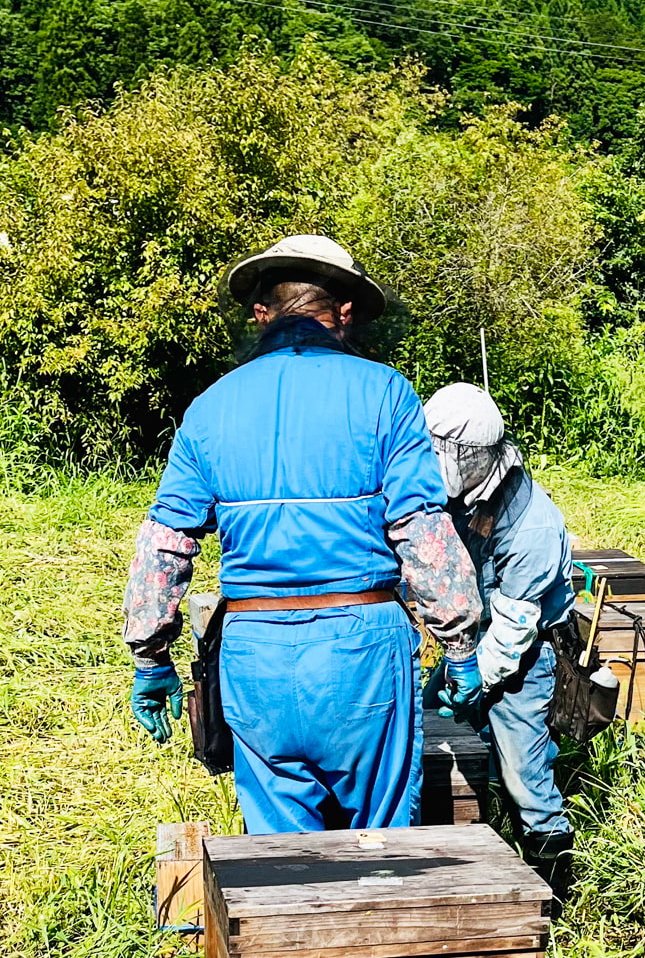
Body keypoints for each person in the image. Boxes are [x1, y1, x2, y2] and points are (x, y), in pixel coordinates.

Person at [123, 234, 483, 834]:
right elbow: (423, 529)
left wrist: (150, 658)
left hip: (255, 654)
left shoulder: (209, 407)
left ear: (261, 314)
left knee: (283, 862)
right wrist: (461, 645)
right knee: (382, 851)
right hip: (363, 653)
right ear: (344, 313)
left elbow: (165, 543)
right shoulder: (385, 392)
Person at [422, 382, 576, 894]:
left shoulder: (532, 525)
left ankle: (551, 892)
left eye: (441, 451)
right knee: (427, 734)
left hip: (526, 653)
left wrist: (474, 677)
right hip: (471, 643)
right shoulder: (462, 497)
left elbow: (514, 629)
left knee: (523, 777)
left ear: (471, 454)